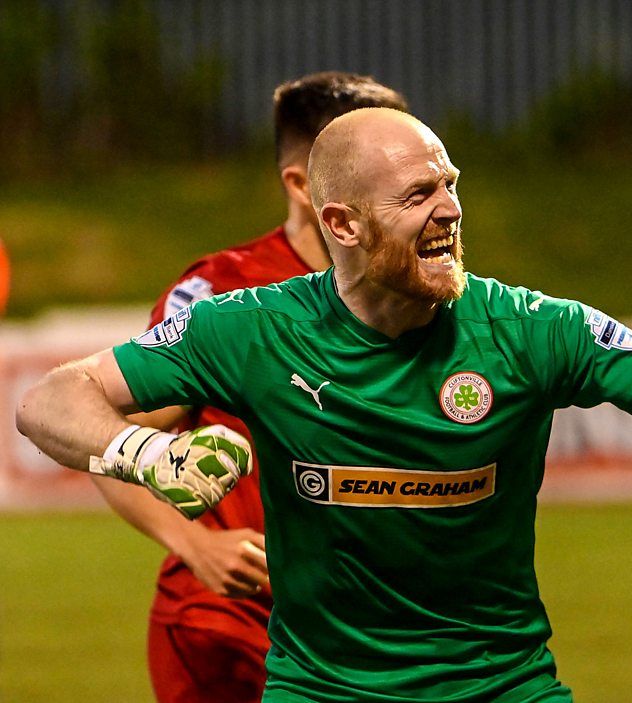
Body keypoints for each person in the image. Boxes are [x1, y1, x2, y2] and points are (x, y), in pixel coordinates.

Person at [17, 108, 632, 703]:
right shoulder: (249, 328)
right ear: (340, 223)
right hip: (322, 689)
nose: (449, 209)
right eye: (419, 192)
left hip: (501, 686)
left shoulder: (532, 329)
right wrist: (145, 457)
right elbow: (52, 400)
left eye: (452, 184)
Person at [88, 72, 408, 703]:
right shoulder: (223, 294)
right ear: (301, 185)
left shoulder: (418, 294)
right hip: (232, 629)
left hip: (365, 631)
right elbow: (103, 437)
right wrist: (195, 544)